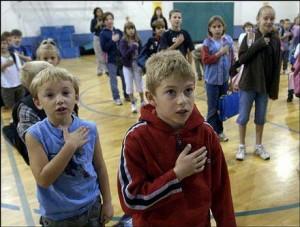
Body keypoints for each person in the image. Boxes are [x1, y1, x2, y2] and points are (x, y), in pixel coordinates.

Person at [117, 50, 237, 227]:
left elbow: (222, 192)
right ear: (151, 98)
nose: (182, 100)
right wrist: (176, 175)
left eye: (188, 90)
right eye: (171, 92)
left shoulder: (207, 134)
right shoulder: (136, 139)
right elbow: (131, 200)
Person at [25, 66, 114, 226]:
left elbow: (100, 167)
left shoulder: (90, 128)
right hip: (58, 217)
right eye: (50, 95)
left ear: (76, 97)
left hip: (91, 207)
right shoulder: (35, 135)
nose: (60, 100)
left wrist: (107, 202)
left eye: (66, 93)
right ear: (38, 102)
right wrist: (70, 146)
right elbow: (43, 180)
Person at [235, 5, 281, 161]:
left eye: (271, 19)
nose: (268, 21)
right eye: (265, 18)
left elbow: (277, 65)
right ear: (258, 19)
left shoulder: (275, 39)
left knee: (260, 118)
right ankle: (241, 146)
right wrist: (259, 44)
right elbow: (241, 59)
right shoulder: (250, 36)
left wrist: (273, 89)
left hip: (264, 86)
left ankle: (258, 146)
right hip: (248, 84)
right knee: (243, 117)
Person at [201, 15, 234, 142]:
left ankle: (219, 131)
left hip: (224, 81)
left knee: (222, 108)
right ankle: (209, 134)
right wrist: (220, 53)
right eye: (214, 27)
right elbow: (206, 59)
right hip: (212, 82)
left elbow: (231, 59)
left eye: (219, 26)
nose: (217, 29)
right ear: (210, 28)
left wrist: (231, 79)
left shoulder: (228, 40)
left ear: (223, 27)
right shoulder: (207, 43)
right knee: (212, 109)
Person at [100, 11, 129, 105]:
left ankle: (127, 95)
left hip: (121, 59)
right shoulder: (103, 34)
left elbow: (126, 38)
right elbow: (104, 48)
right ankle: (116, 98)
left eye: (111, 19)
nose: (109, 21)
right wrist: (112, 41)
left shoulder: (118, 31)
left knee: (125, 78)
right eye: (107, 19)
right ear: (104, 22)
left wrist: (127, 23)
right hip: (111, 60)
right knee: (113, 80)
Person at [119, 21, 145, 113]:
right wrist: (133, 47)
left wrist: (143, 65)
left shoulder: (138, 40)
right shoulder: (123, 41)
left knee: (140, 84)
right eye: (129, 29)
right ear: (125, 30)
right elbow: (124, 54)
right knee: (129, 86)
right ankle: (133, 103)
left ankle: (142, 101)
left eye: (132, 28)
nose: (131, 30)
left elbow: (142, 53)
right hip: (127, 66)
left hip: (137, 65)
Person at [1, 32, 24, 110]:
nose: (2, 46)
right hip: (6, 87)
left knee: (21, 105)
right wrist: (5, 65)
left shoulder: (14, 55)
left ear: (7, 44)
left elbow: (20, 68)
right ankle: (12, 121)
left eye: (4, 43)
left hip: (19, 84)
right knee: (10, 107)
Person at [90, 7, 108, 77]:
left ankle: (106, 70)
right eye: (97, 12)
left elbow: (108, 27)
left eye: (100, 11)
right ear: (95, 13)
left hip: (104, 38)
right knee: (98, 55)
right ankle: (99, 70)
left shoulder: (105, 20)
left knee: (105, 54)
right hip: (97, 38)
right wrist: (97, 25)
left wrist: (103, 24)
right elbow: (91, 30)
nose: (99, 13)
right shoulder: (93, 20)